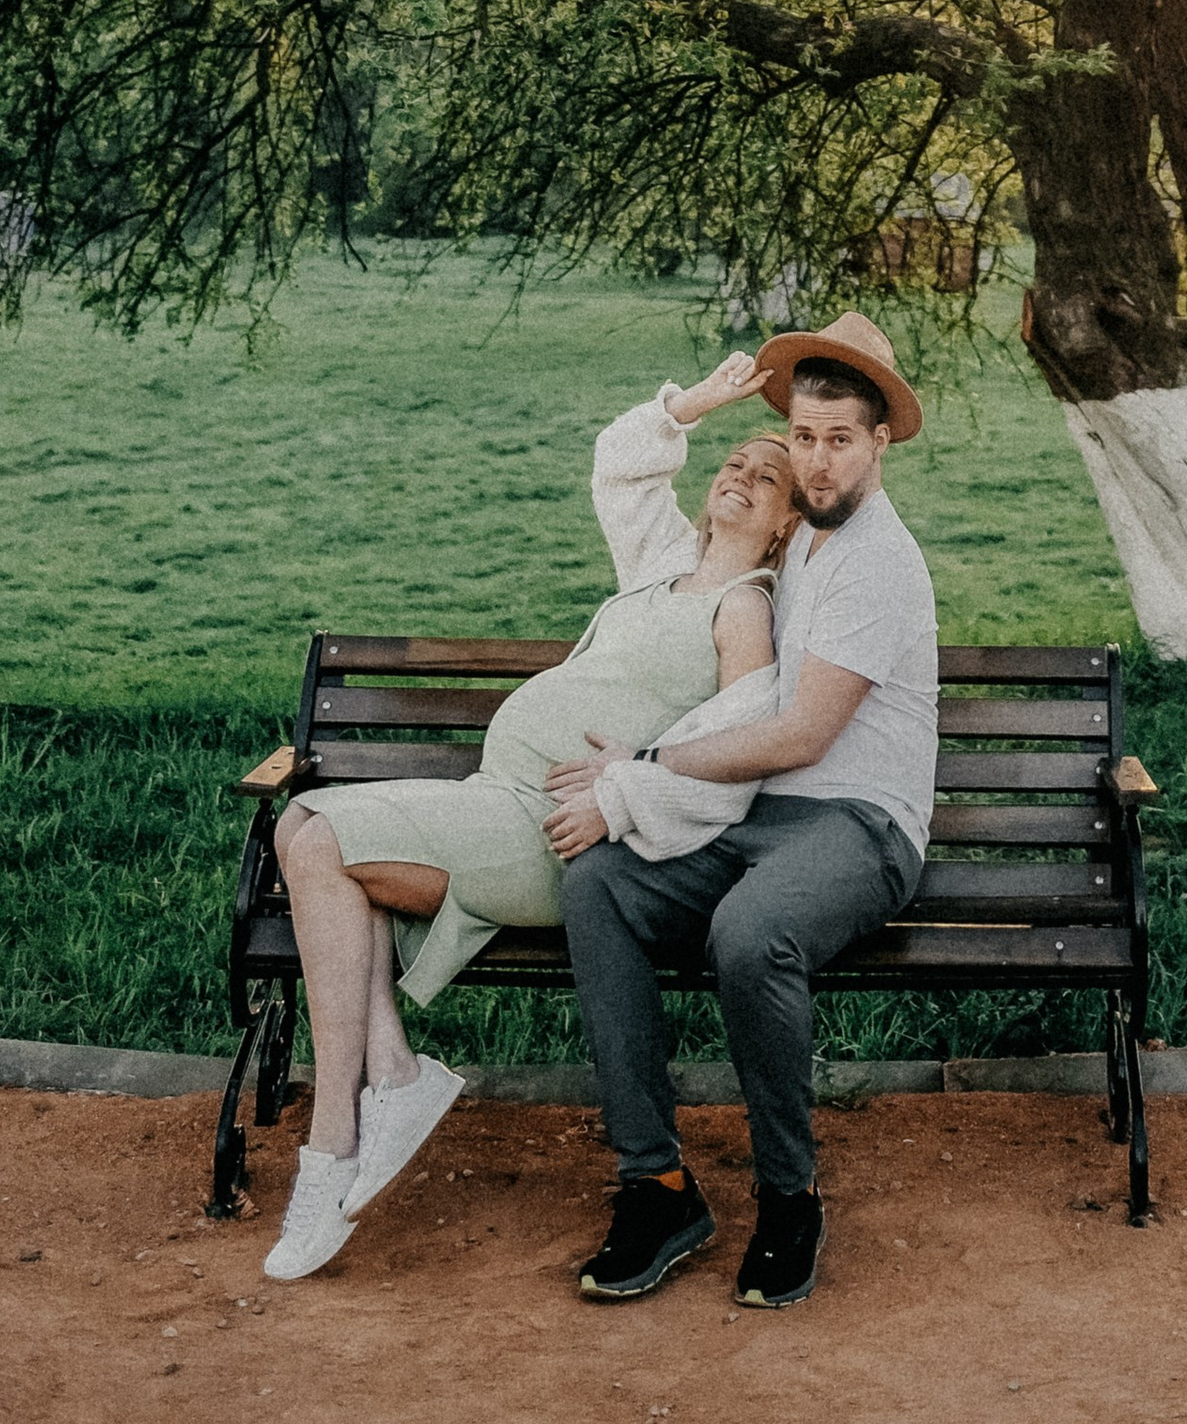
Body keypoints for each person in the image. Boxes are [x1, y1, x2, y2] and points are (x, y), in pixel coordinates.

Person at [260, 351, 797, 1285]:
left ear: (790, 523)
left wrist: (622, 790)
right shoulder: (661, 567)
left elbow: (738, 748)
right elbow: (620, 464)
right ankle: (391, 1072)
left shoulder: (745, 610)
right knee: (296, 825)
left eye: (769, 478)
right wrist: (697, 403)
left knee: (325, 844)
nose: (743, 479)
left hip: (556, 835)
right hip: (493, 804)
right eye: (736, 464)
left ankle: (334, 1138)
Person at [548, 308, 937, 1315]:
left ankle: (788, 1197)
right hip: (756, 822)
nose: (815, 459)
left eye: (838, 438)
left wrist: (638, 765)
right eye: (802, 436)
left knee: (750, 931)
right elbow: (650, 512)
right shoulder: (792, 541)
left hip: (861, 825)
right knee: (596, 883)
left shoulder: (874, 560)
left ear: (878, 439)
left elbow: (803, 733)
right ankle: (657, 1184)